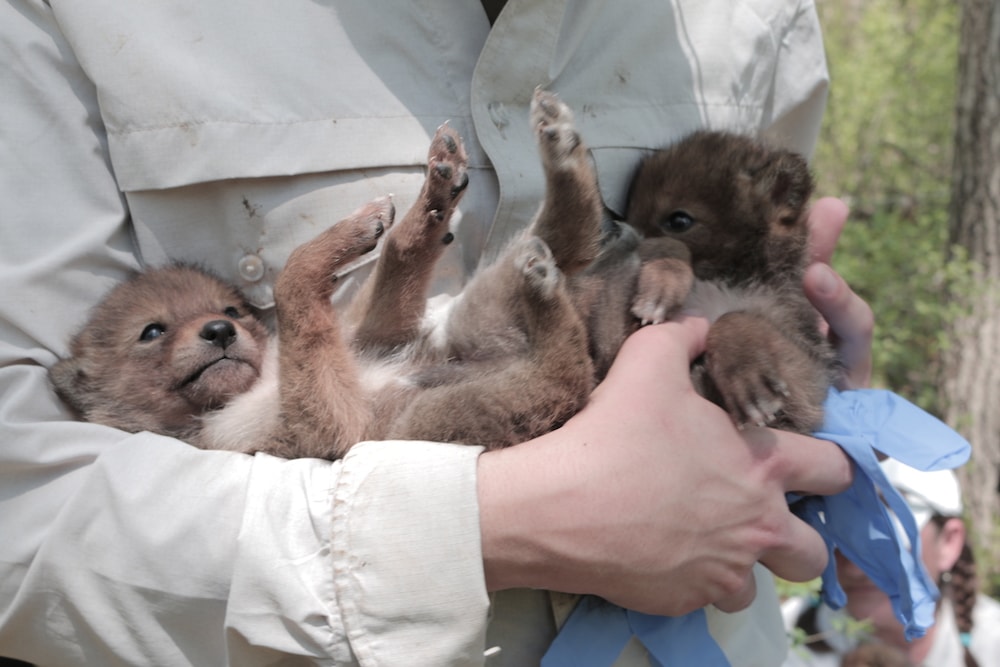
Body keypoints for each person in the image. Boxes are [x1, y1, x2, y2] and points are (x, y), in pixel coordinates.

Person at [0, 2, 871, 665]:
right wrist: (501, 522)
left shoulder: (757, 19)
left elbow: (761, 292)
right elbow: (22, 512)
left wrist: (811, 397)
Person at [782, 461, 1000, 667]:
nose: (856, 569)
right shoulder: (781, 636)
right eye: (841, 546)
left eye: (887, 551)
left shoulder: (992, 641)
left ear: (948, 542)